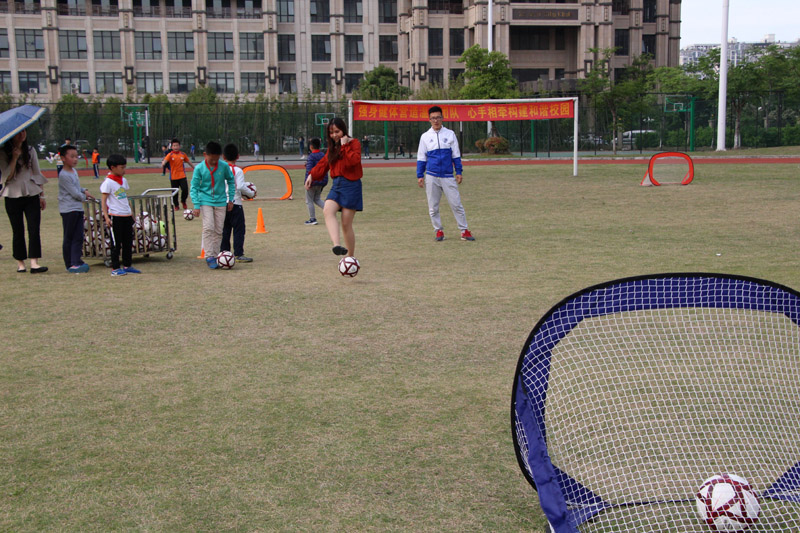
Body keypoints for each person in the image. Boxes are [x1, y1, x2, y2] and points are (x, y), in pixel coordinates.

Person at [306, 117, 363, 259]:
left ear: (343, 130)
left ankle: (350, 258)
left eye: (337, 131)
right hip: (337, 185)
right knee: (327, 210)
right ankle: (336, 245)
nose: (334, 135)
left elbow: (353, 161)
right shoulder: (332, 148)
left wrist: (345, 146)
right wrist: (312, 175)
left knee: (346, 224)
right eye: (331, 132)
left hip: (351, 186)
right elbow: (323, 164)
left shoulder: (354, 143)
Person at [417, 105, 475, 242]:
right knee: (433, 207)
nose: (435, 121)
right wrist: (420, 175)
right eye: (433, 118)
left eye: (438, 117)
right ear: (429, 120)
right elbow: (421, 158)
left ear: (442, 118)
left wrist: (459, 171)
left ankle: (464, 230)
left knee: (456, 204)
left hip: (448, 175)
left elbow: (456, 155)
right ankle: (438, 230)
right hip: (431, 175)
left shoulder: (450, 134)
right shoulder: (425, 137)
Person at [0, 129, 48, 273]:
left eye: (24, 131)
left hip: (31, 194)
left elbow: (37, 173)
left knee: (34, 229)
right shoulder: (2, 153)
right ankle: (21, 264)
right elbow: (7, 176)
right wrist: (14, 157)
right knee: (17, 230)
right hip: (12, 195)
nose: (22, 134)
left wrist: (42, 195)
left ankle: (34, 263)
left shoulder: (31, 150)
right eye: (18, 132)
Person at [190, 141, 235, 269]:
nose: (214, 162)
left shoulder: (224, 166)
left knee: (219, 230)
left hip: (221, 202)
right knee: (208, 227)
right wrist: (196, 205)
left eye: (217, 159)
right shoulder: (199, 168)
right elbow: (194, 187)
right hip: (205, 201)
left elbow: (231, 181)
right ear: (205, 155)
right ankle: (209, 256)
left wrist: (230, 199)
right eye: (211, 159)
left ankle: (216, 256)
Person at [100, 154, 140, 276]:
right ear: (112, 167)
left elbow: (124, 198)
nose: (124, 170)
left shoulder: (123, 181)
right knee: (116, 244)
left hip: (126, 216)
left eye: (124, 167)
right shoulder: (108, 182)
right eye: (121, 167)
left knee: (128, 242)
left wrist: (131, 213)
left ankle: (127, 265)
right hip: (115, 216)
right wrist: (106, 216)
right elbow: (104, 200)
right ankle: (115, 268)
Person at [58, 144, 94, 273]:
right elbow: (74, 193)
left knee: (79, 236)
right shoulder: (63, 175)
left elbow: (77, 188)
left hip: (77, 209)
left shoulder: (74, 171)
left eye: (76, 156)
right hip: (69, 210)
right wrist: (85, 197)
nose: (75, 159)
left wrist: (85, 190)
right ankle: (70, 263)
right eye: (71, 156)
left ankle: (77, 260)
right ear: (63, 158)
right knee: (69, 236)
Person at [220, 143, 252, 263]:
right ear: (238, 156)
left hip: (222, 203)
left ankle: (224, 252)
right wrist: (250, 193)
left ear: (223, 156)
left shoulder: (220, 169)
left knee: (225, 229)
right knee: (239, 229)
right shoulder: (238, 170)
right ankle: (238, 254)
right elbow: (240, 186)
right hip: (236, 203)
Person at [162, 138, 195, 211]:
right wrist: (163, 163)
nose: (175, 147)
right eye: (174, 146)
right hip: (173, 177)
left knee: (185, 189)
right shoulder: (170, 155)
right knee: (174, 192)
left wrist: (194, 168)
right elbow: (165, 161)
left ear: (179, 146)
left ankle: (183, 201)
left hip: (182, 176)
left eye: (177, 145)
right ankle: (176, 205)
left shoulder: (183, 154)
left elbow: (189, 162)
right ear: (172, 147)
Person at [304, 137, 328, 225]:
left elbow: (310, 170)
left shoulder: (311, 156)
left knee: (309, 200)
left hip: (313, 181)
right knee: (317, 198)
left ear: (311, 146)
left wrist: (307, 181)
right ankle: (329, 210)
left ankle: (312, 219)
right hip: (322, 181)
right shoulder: (323, 155)